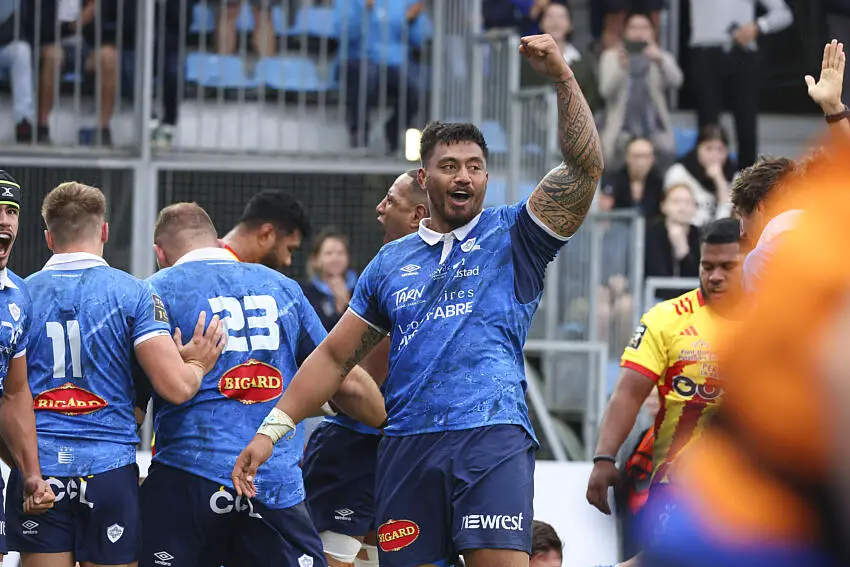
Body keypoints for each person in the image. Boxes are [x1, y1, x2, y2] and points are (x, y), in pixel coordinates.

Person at [233, 33, 603, 567]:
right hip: (408, 446)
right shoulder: (390, 263)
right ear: (424, 177)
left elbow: (584, 170)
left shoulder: (517, 235)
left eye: (474, 166)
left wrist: (564, 80)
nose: (464, 176)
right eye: (450, 165)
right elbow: (337, 357)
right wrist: (271, 431)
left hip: (490, 437)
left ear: (486, 175)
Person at [139, 202, 387, 567]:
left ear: (160, 253)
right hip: (273, 486)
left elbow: (129, 401)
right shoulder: (283, 289)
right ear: (214, 238)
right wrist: (392, 428)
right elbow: (345, 382)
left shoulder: (152, 292)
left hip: (186, 482)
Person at [641, 142, 850, 567]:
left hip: (770, 495)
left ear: (757, 207)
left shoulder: (781, 240)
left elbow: (828, 362)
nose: (740, 233)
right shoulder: (811, 230)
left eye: (741, 219)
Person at [7, 182, 225, 567]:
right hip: (109, 472)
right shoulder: (134, 294)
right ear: (104, 231)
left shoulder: (19, 296)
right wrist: (196, 364)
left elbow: (8, 396)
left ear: (47, 237)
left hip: (39, 474)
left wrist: (25, 468)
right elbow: (174, 388)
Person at [586, 218, 744, 566]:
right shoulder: (667, 318)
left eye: (727, 267)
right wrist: (603, 458)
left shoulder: (775, 319)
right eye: (707, 266)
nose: (715, 276)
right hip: (676, 482)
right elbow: (628, 393)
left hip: (750, 484)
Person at [302, 170, 428, 567]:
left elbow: (356, 378)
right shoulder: (391, 275)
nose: (379, 207)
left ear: (418, 215)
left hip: (386, 448)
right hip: (374, 446)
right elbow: (350, 377)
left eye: (390, 200)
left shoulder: (410, 274)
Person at [0, 171, 56, 562]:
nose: (5, 220)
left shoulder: (19, 297)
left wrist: (30, 472)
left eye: (11, 211)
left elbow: (15, 392)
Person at [687, 0, 793, 169]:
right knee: (708, 122)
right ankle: (705, 179)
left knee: (746, 124)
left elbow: (784, 14)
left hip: (742, 52)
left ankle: (746, 184)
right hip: (705, 53)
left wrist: (759, 26)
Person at [599, 12, 682, 170]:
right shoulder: (611, 56)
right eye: (633, 27)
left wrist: (660, 60)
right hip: (622, 129)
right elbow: (605, 92)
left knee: (667, 151)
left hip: (654, 127)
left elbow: (676, 81)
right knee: (613, 157)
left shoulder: (660, 56)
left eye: (644, 28)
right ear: (625, 32)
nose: (639, 32)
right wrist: (621, 69)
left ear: (652, 32)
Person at [664, 124, 735, 226]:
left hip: (719, 235)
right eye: (708, 148)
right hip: (687, 232)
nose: (714, 156)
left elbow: (729, 223)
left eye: (720, 150)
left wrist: (720, 182)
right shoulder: (679, 173)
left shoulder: (734, 176)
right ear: (697, 149)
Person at [221, 189, 311, 269]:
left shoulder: (210, 259)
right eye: (289, 249)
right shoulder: (226, 276)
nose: (288, 261)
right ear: (266, 234)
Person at [644, 184, 701, 301]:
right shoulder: (652, 233)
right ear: (663, 206)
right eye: (676, 202)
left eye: (688, 203)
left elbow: (698, 280)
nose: (682, 207)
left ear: (695, 209)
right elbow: (657, 277)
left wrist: (683, 251)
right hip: (656, 300)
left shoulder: (699, 235)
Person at [302, 229, 359, 332]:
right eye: (329, 253)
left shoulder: (359, 291)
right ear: (316, 259)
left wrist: (347, 303)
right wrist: (339, 307)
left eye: (340, 253)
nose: (335, 258)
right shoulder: (307, 294)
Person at [601, 136, 664, 220]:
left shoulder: (659, 184)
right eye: (636, 156)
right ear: (627, 157)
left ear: (652, 159)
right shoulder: (614, 182)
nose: (641, 162)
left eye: (646, 156)